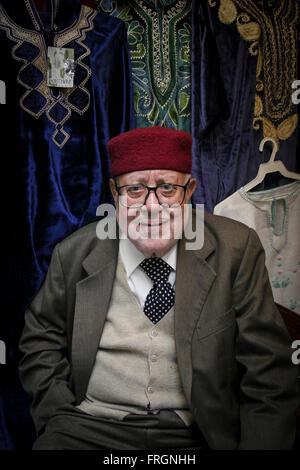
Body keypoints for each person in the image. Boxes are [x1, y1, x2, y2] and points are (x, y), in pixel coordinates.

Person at [19, 126, 299, 450]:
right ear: (114, 193)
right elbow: (39, 337)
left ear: (189, 190)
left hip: (196, 433)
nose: (152, 207)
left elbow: (268, 372)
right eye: (135, 190)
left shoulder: (236, 249)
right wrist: (58, 416)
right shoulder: (74, 254)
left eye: (167, 188)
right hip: (90, 428)